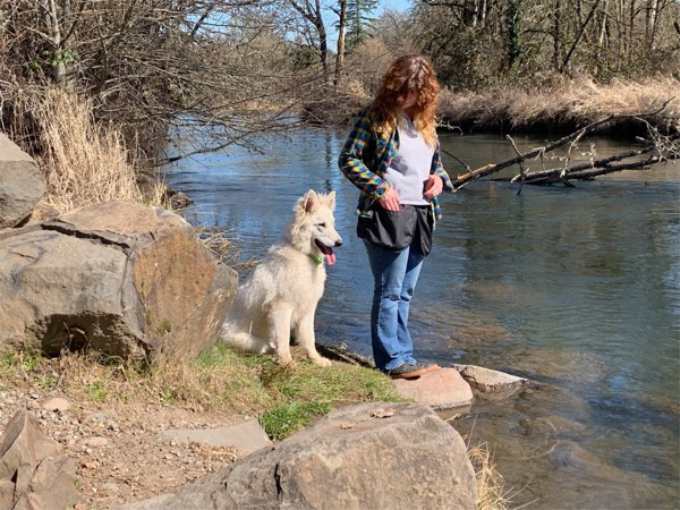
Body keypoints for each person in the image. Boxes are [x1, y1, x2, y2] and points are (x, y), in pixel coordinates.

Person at [338, 54, 454, 380]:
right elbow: (348, 160)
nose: (405, 98)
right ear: (391, 86)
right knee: (389, 291)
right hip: (385, 214)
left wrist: (439, 181)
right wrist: (379, 187)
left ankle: (404, 356)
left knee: (405, 292)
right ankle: (391, 362)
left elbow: (436, 167)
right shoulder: (374, 118)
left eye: (412, 92)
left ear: (425, 92)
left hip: (422, 214)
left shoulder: (427, 125)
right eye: (400, 90)